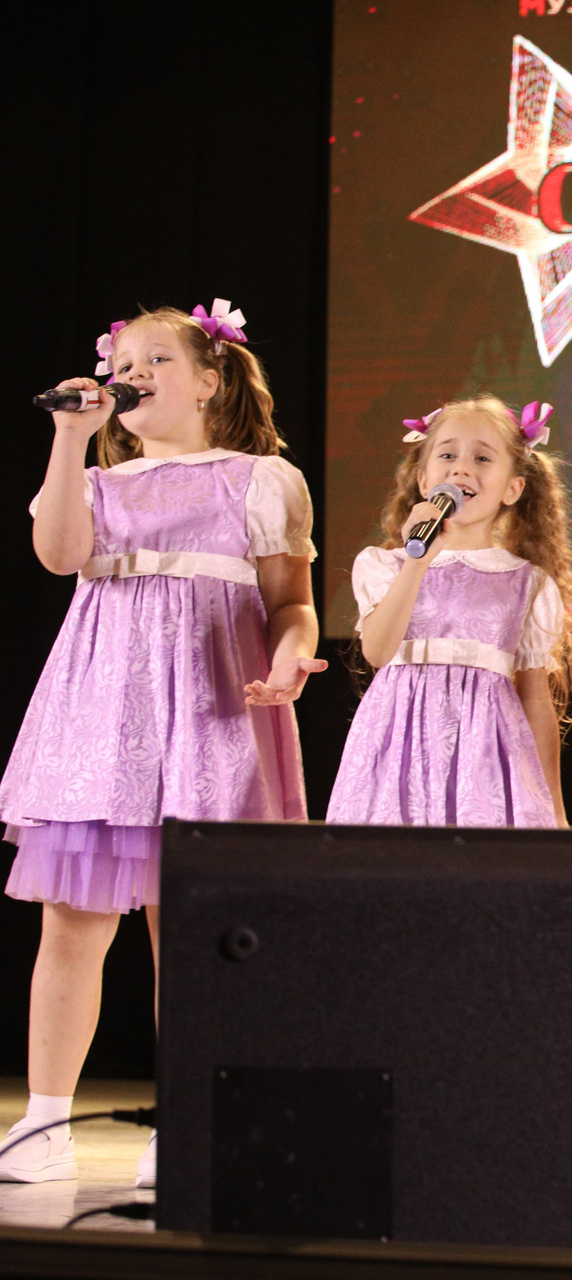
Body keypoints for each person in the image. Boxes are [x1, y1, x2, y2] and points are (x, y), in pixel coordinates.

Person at [0, 301, 322, 1188]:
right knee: (71, 923)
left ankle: (183, 1121)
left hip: (210, 716)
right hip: (103, 718)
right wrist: (71, 438)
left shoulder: (260, 481)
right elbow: (59, 555)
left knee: (183, 930)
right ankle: (44, 1123)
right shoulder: (94, 483)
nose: (132, 373)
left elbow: (292, 603)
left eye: (157, 359)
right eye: (122, 362)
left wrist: (292, 655)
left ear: (211, 382)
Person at [328, 396, 572, 828]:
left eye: (482, 458)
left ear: (513, 488)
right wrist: (417, 561)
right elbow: (378, 652)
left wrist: (552, 805)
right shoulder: (384, 566)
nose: (461, 469)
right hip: (396, 751)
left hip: (487, 756)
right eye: (447, 455)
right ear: (425, 480)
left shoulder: (528, 583)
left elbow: (535, 699)